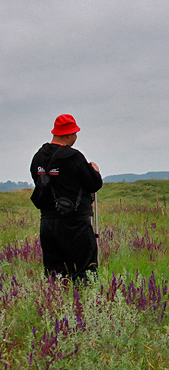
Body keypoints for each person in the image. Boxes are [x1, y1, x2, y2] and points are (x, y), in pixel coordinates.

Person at [30, 114, 103, 281]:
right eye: (75, 133)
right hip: (75, 224)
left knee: (54, 273)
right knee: (85, 271)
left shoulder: (39, 156)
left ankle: (55, 303)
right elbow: (94, 184)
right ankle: (83, 303)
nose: (76, 137)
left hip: (48, 223)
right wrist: (95, 171)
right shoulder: (74, 157)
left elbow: (37, 180)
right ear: (69, 134)